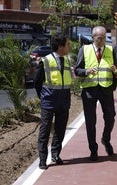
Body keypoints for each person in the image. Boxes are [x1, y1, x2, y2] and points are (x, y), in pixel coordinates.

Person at [74, 26, 117, 161]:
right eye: (99, 38)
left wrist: (115, 75)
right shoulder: (85, 49)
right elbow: (77, 70)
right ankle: (93, 149)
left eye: (104, 38)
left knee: (110, 117)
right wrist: (87, 71)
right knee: (90, 121)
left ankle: (106, 139)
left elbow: (116, 69)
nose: (102, 40)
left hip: (106, 89)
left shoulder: (111, 50)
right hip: (89, 90)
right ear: (93, 38)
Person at [34, 34, 72, 169]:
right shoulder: (45, 61)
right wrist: (43, 97)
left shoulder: (67, 60)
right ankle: (43, 159)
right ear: (61, 47)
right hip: (48, 102)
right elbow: (37, 82)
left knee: (60, 130)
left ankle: (55, 154)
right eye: (67, 44)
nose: (69, 47)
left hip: (64, 101)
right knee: (44, 131)